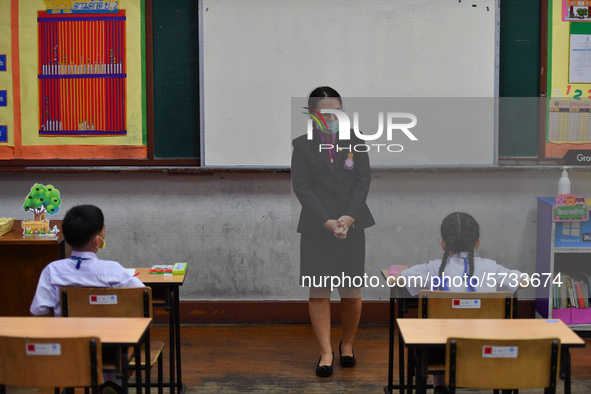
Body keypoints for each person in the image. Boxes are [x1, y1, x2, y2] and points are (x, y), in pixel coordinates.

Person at [291, 86, 375, 377]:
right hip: (317, 228)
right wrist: (327, 222)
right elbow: (302, 187)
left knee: (351, 293)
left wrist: (349, 217)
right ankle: (326, 351)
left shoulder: (357, 140)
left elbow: (362, 181)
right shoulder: (302, 145)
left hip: (352, 225)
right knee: (319, 292)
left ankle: (347, 345)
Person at [398, 212, 523, 394]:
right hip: (486, 348)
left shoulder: (433, 269)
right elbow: (523, 282)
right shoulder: (492, 268)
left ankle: (440, 383)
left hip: (441, 351)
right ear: (477, 243)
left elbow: (400, 280)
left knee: (440, 333)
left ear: (443, 244)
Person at [30, 204, 144, 317]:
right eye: (103, 231)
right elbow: (142, 297)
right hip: (109, 333)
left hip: (67, 333)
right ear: (97, 241)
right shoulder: (115, 271)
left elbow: (39, 312)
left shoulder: (52, 271)